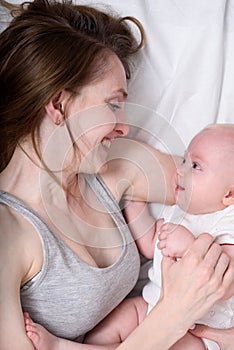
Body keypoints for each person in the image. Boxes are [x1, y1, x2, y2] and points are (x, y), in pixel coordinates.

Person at [0, 0, 233, 349]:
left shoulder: (115, 166)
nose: (124, 126)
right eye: (113, 104)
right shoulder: (8, 233)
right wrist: (176, 312)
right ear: (59, 105)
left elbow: (223, 184)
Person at [23, 123, 234, 350]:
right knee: (109, 328)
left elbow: (227, 280)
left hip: (200, 329)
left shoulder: (227, 221)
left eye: (195, 165)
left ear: (229, 194)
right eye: (183, 160)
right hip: (153, 305)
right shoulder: (180, 211)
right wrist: (135, 206)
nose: (181, 170)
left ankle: (59, 347)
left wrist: (188, 246)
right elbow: (152, 243)